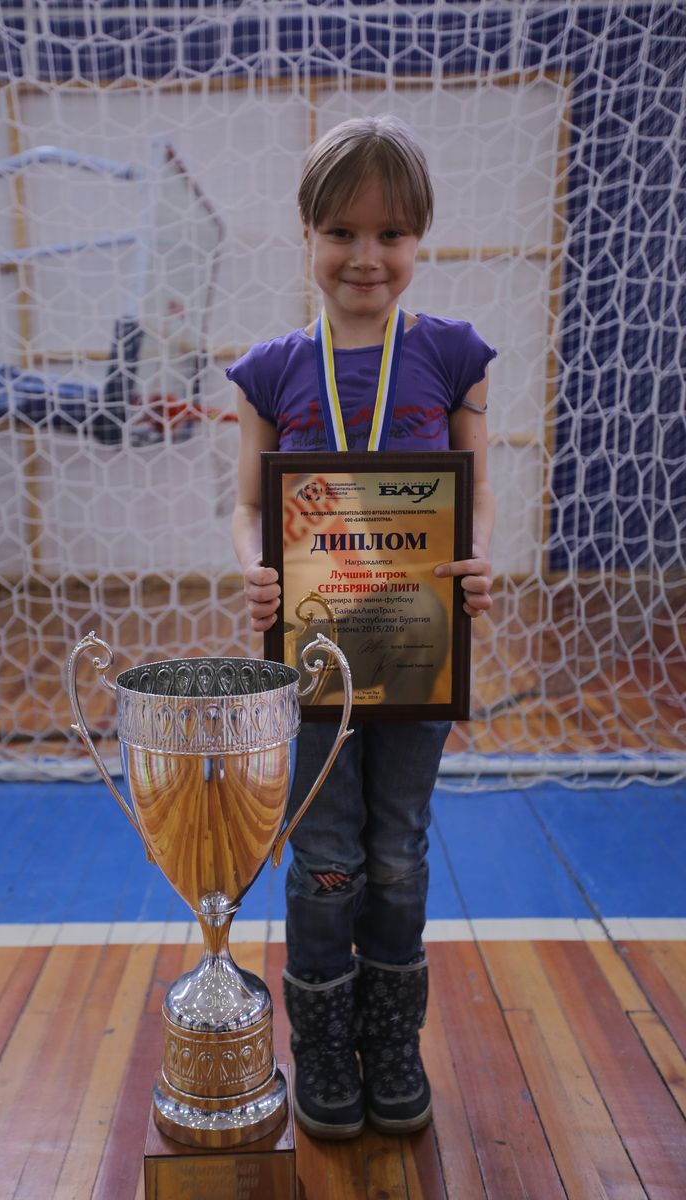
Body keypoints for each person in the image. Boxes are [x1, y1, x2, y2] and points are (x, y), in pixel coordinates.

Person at [228, 115, 496, 1140]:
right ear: (306, 234)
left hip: (417, 656)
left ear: (418, 238)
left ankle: (390, 1041)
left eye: (391, 233)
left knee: (398, 853)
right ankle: (323, 1048)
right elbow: (248, 506)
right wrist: (254, 567)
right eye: (341, 231)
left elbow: (476, 493)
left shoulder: (455, 355)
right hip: (311, 665)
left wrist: (477, 556)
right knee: (326, 855)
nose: (365, 256)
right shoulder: (269, 370)